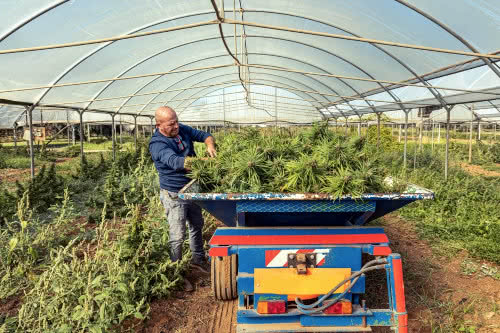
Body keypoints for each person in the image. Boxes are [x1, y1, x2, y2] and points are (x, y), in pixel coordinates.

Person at [149, 106, 216, 291]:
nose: (177, 126)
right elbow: (178, 163)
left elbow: (205, 135)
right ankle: (176, 274)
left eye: (177, 121)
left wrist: (209, 145)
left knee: (197, 224)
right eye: (171, 124)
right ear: (159, 125)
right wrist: (207, 164)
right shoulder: (157, 144)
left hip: (192, 188)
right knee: (177, 236)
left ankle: (198, 260)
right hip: (174, 194)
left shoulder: (181, 129)